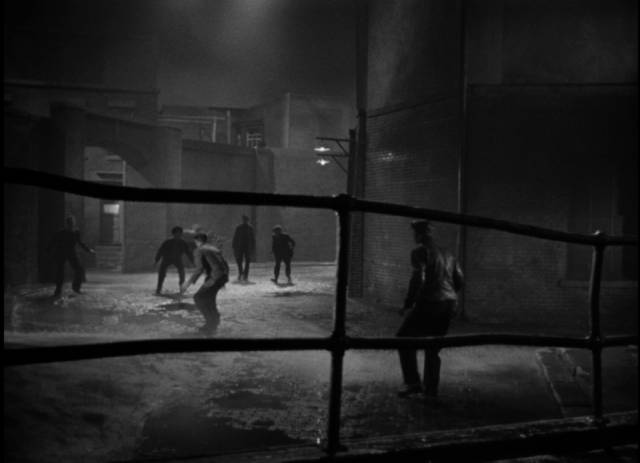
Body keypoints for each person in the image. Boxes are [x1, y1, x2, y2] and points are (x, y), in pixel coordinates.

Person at [396, 220, 464, 400]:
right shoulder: (449, 253)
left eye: (414, 233)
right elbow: (460, 282)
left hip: (429, 303)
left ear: (419, 235)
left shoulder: (420, 252)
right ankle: (431, 391)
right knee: (433, 346)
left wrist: (408, 304)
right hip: (448, 304)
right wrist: (448, 295)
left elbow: (418, 278)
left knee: (402, 338)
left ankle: (412, 382)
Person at [180, 233, 229, 335]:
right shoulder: (213, 248)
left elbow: (199, 269)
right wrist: (223, 279)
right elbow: (225, 264)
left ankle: (210, 323)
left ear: (198, 241)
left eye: (195, 242)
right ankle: (214, 320)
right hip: (222, 276)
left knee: (199, 297)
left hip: (215, 277)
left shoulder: (199, 250)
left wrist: (187, 283)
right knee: (209, 298)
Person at [48, 215, 95, 297]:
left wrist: (88, 250)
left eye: (72, 223)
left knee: (79, 269)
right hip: (61, 252)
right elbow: (53, 242)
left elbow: (80, 243)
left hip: (71, 253)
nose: (71, 225)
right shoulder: (61, 233)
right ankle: (58, 289)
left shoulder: (75, 232)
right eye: (70, 223)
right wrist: (49, 251)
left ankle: (75, 288)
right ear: (67, 224)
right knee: (60, 271)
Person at [154, 226, 194, 295]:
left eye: (179, 233)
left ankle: (182, 288)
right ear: (173, 234)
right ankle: (159, 288)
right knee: (162, 273)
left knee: (182, 272)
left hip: (177, 259)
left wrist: (193, 261)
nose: (178, 235)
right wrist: (156, 260)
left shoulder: (182, 242)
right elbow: (160, 251)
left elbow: (188, 252)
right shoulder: (168, 241)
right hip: (167, 259)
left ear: (181, 234)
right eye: (176, 233)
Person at [231, 215, 256, 282]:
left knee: (247, 261)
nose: (245, 221)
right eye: (244, 220)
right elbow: (235, 237)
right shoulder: (239, 228)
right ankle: (241, 273)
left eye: (246, 220)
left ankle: (245, 275)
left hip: (248, 247)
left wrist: (253, 247)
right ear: (242, 220)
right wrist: (234, 245)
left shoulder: (250, 228)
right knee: (239, 261)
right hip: (240, 247)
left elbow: (253, 238)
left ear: (248, 220)